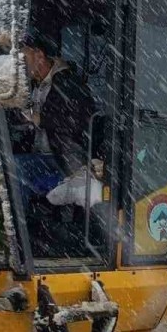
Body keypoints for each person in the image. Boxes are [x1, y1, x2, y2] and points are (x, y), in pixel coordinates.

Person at [19, 29, 101, 207]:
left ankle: (14, 228)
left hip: (64, 160)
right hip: (41, 155)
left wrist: (39, 119)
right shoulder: (34, 85)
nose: (20, 66)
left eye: (23, 59)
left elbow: (75, 122)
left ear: (39, 55)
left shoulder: (69, 83)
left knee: (15, 170)